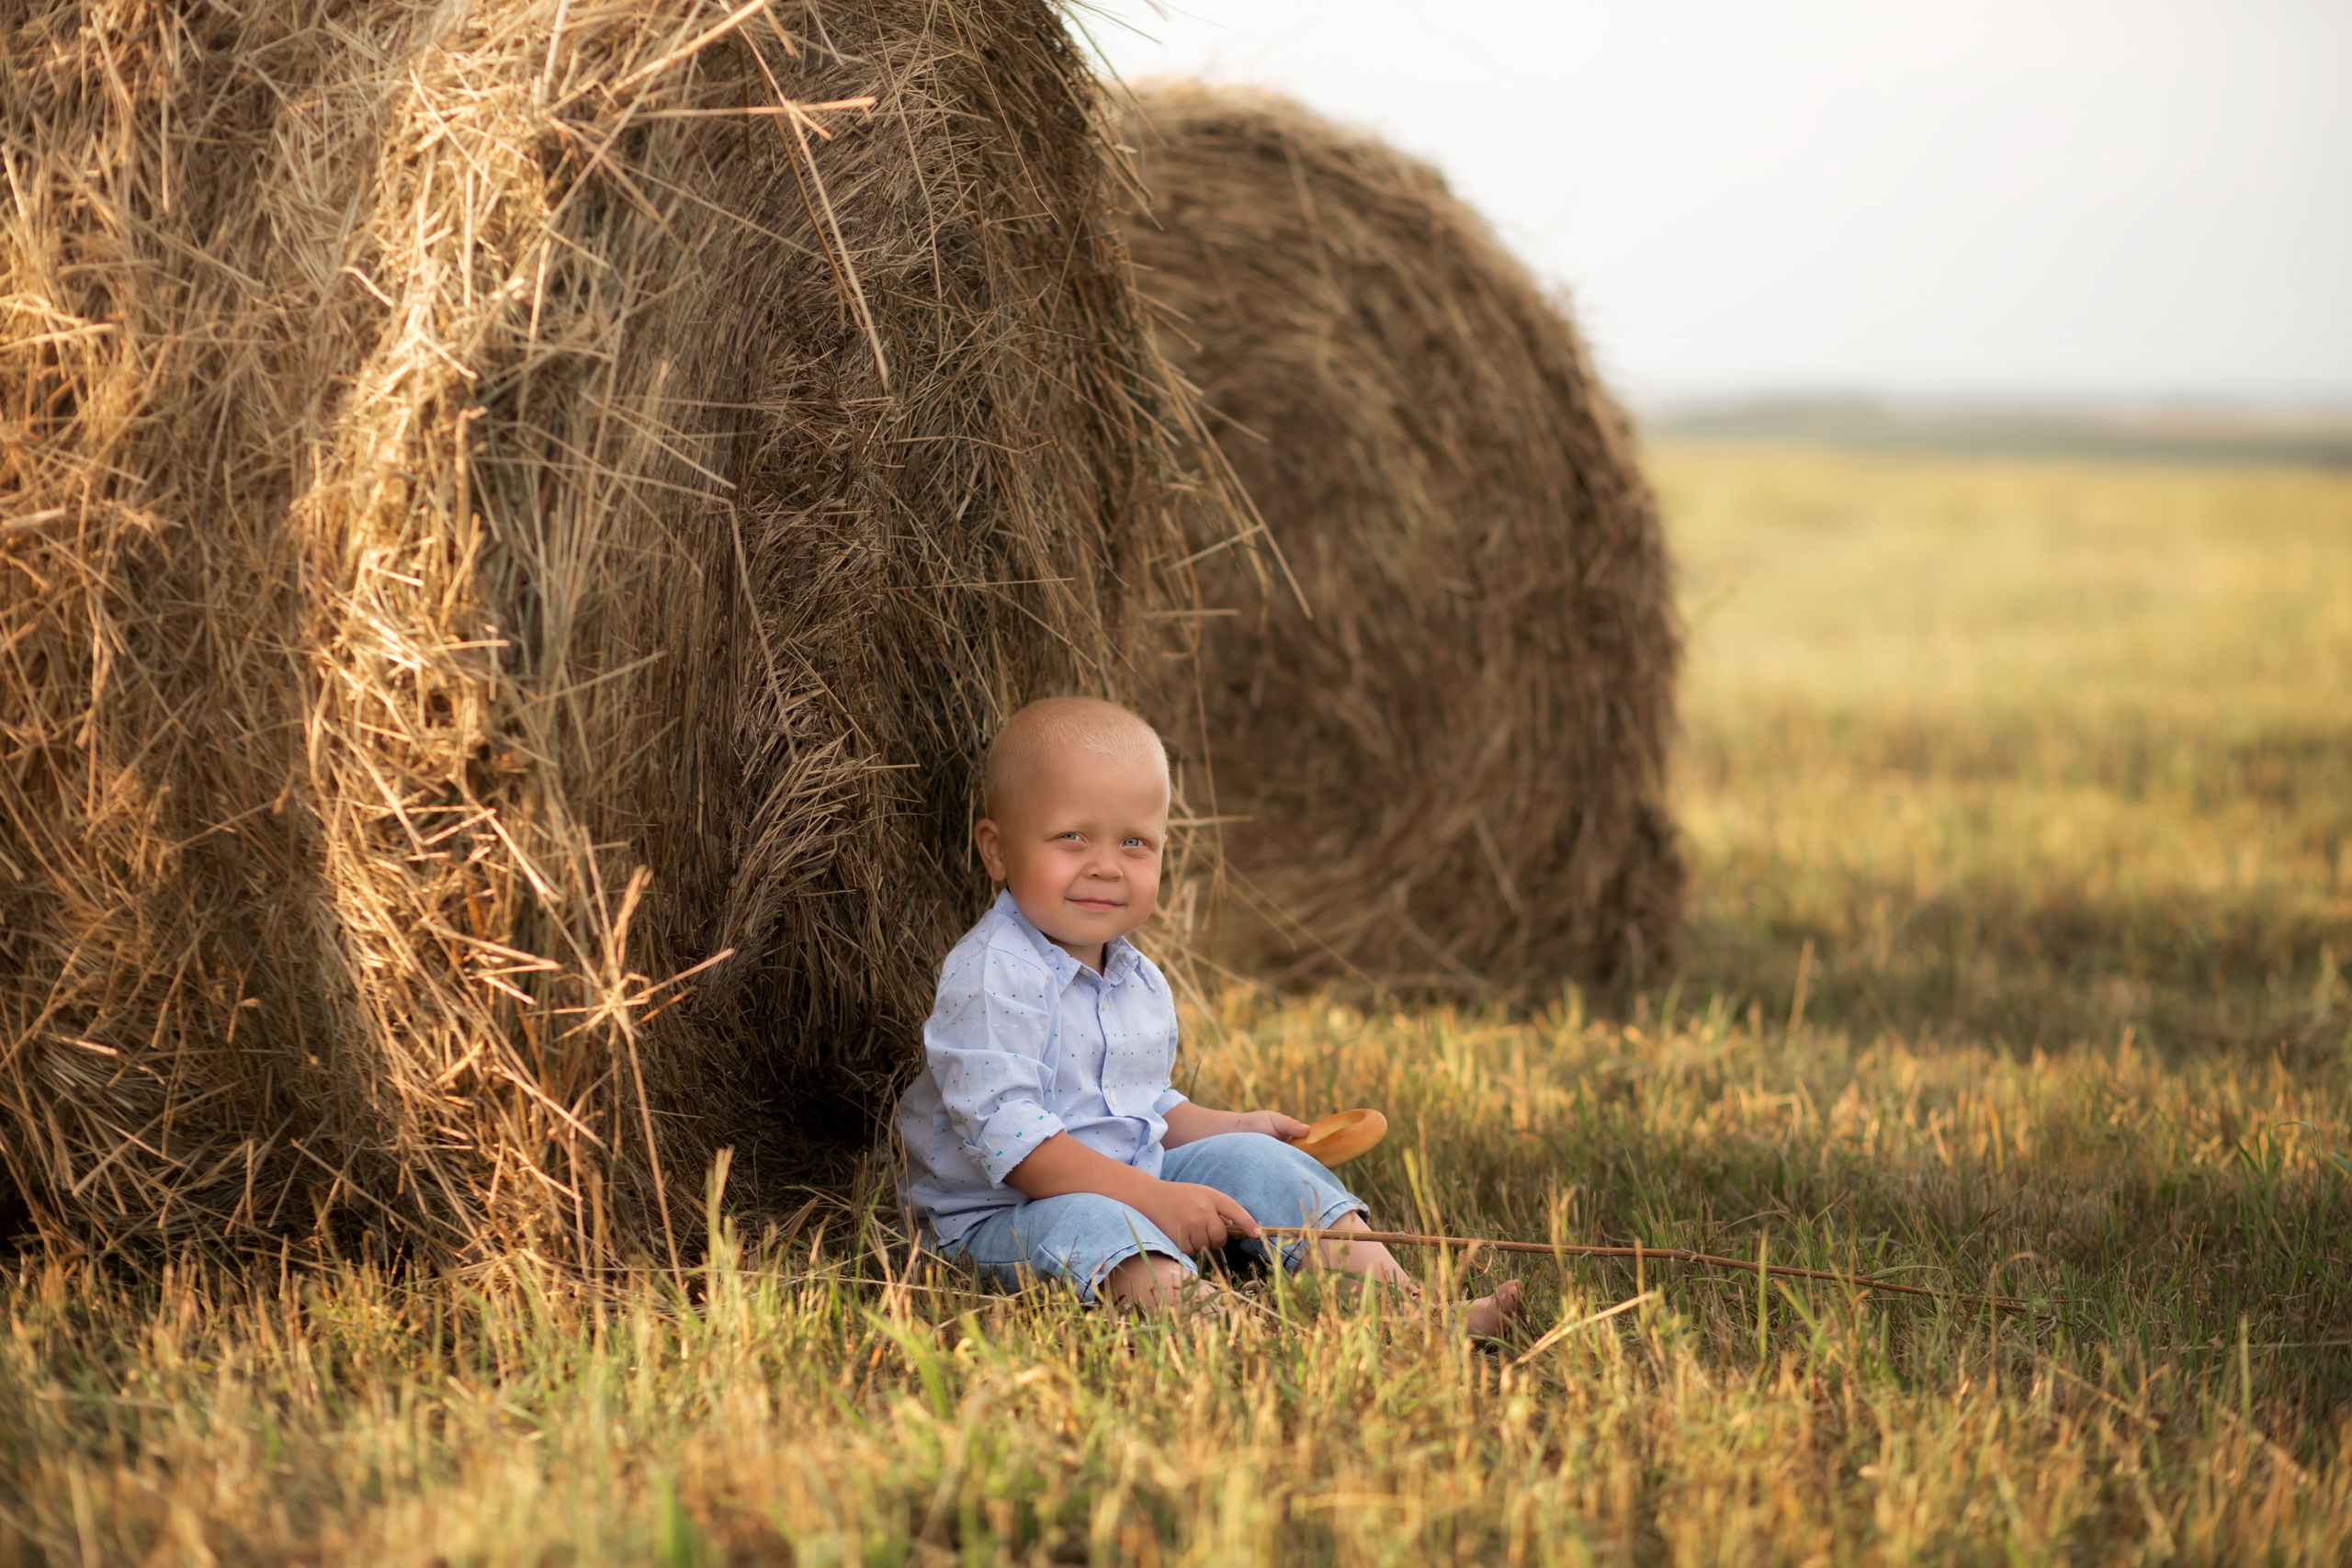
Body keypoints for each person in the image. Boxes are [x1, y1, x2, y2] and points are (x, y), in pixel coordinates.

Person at [897, 695, 1520, 1332]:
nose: (1107, 864)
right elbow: (1014, 1143)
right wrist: (1157, 1199)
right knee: (1104, 1226)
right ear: (997, 850)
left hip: (1132, 1183)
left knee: (1259, 1163)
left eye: (1135, 841)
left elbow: (1140, 1105)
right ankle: (1247, 1336)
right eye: (1072, 836)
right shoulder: (991, 973)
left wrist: (1238, 1124)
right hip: (1002, 1217)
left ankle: (1411, 1313)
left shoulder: (1137, 978)